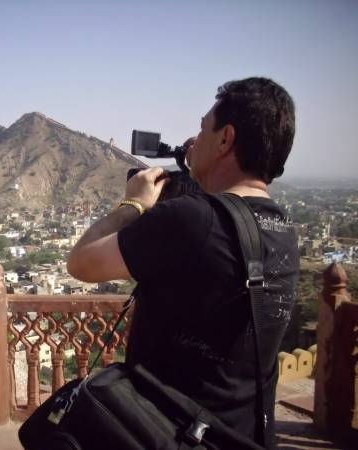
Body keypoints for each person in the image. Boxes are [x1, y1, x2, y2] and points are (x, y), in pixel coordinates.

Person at [67, 77, 299, 448]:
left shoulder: (192, 219)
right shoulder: (282, 228)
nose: (195, 139)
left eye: (203, 129)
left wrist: (134, 203)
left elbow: (81, 263)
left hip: (166, 431)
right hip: (239, 435)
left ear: (225, 139)